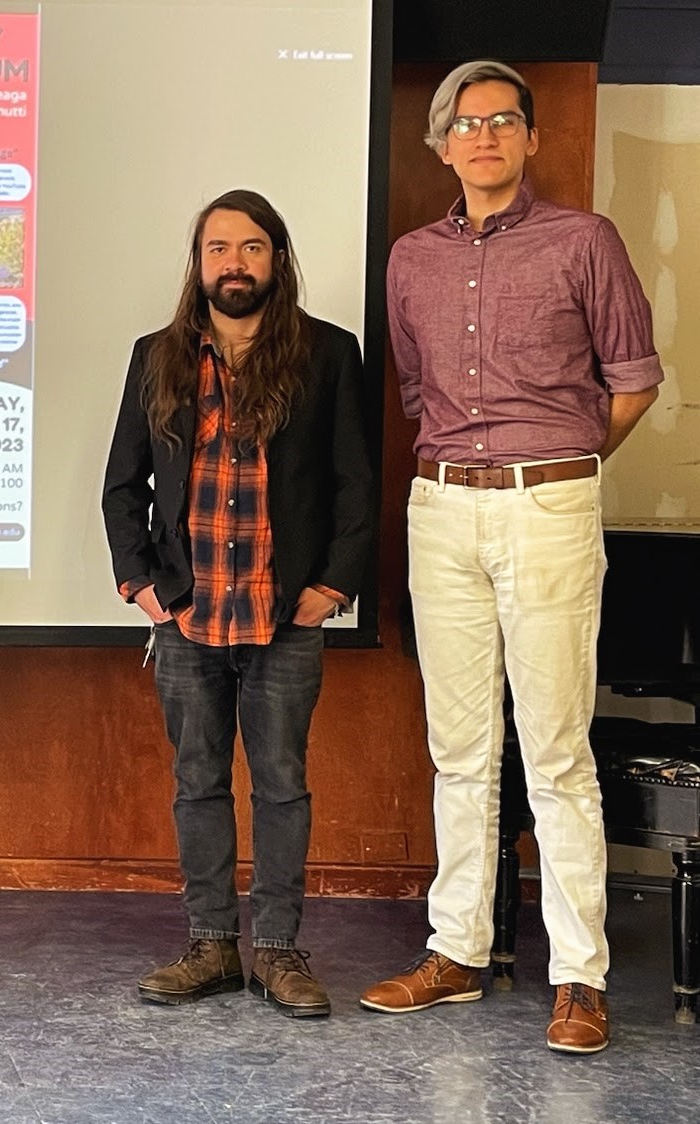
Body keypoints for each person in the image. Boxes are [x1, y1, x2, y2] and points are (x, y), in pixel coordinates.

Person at [361, 61, 661, 1055]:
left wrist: (566, 469)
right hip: (441, 507)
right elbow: (416, 397)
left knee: (557, 750)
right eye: (465, 121)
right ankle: (457, 950)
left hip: (550, 505)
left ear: (528, 138)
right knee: (460, 748)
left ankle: (580, 974)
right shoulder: (410, 259)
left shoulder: (586, 240)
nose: (483, 134)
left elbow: (632, 382)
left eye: (502, 119)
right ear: (440, 143)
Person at [102, 189, 374, 1018]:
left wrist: (330, 587)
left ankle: (280, 952)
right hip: (188, 619)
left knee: (283, 785)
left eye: (252, 247)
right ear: (199, 263)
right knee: (197, 782)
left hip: (283, 617)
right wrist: (145, 588)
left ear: (277, 260)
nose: (235, 263)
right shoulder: (157, 357)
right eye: (218, 248)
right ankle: (213, 946)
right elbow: (123, 487)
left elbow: (355, 482)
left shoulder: (329, 353)